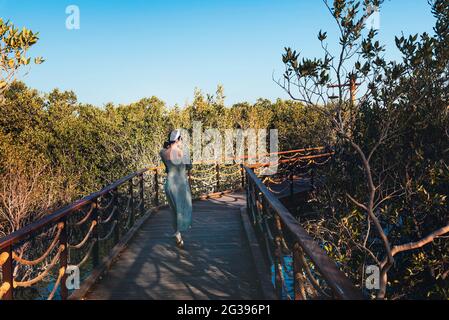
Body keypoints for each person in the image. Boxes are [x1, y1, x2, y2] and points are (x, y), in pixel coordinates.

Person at [159, 130, 192, 248]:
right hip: (180, 185)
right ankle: (182, 228)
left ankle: (178, 234)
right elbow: (190, 166)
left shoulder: (163, 153)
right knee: (184, 208)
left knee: (173, 210)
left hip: (169, 184)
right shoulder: (183, 153)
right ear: (178, 140)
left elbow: (163, 155)